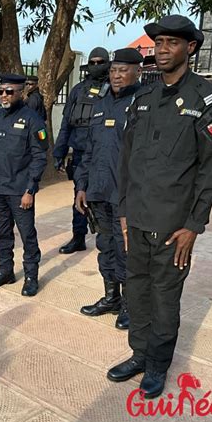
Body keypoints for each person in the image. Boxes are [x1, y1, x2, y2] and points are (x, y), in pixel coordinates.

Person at [107, 15, 212, 399]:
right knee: (137, 292)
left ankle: (158, 365)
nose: (161, 50)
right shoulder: (142, 98)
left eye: (171, 43)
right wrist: (123, 212)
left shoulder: (206, 99)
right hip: (138, 219)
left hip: (174, 226)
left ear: (189, 48)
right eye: (158, 43)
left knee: (164, 297)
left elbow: (209, 171)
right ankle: (140, 355)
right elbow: (128, 162)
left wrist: (194, 225)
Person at [74, 48, 143, 330]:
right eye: (114, 70)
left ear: (138, 71)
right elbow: (89, 149)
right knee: (105, 246)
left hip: (126, 195)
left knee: (125, 250)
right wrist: (82, 186)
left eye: (123, 70)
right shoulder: (101, 104)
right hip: (99, 192)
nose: (116, 75)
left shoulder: (142, 103)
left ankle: (129, 305)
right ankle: (111, 297)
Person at [0, 74, 48, 296]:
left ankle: (30, 276)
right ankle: (5, 270)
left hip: (19, 190)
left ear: (21, 92)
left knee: (27, 235)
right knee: (1, 234)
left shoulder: (32, 119)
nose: (4, 96)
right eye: (1, 91)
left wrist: (30, 189)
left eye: (9, 91)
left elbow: (39, 156)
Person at [53, 47, 110, 254]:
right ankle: (78, 237)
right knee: (79, 196)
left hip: (105, 155)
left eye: (100, 62)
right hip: (80, 154)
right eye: (92, 62)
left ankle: (107, 239)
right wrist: (58, 153)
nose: (96, 66)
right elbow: (66, 124)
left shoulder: (114, 87)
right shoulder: (78, 90)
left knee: (105, 198)